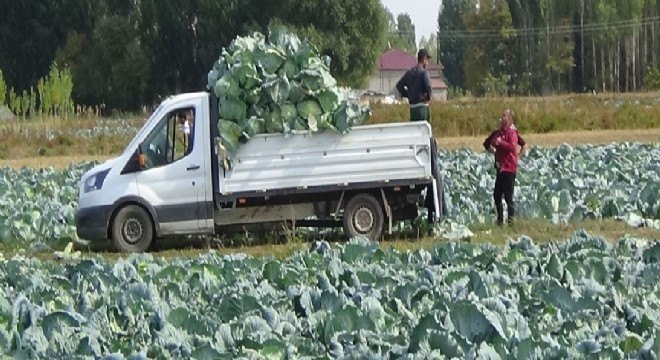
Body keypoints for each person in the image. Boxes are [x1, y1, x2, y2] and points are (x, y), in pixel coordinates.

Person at [487, 109, 520, 227]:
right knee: (496, 195)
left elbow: (512, 147)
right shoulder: (500, 132)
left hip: (509, 168)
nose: (502, 118)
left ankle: (511, 222)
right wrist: (494, 145)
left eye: (504, 116)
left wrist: (501, 143)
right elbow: (491, 142)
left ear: (510, 119)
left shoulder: (512, 132)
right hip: (501, 168)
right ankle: (500, 220)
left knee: (508, 197)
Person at [396, 49, 433, 122]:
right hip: (422, 108)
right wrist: (428, 97)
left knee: (415, 130)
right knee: (424, 131)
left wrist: (408, 94)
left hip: (412, 109)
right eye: (427, 59)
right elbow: (428, 86)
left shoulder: (409, 73)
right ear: (424, 59)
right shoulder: (424, 72)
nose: (428, 62)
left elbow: (399, 86)